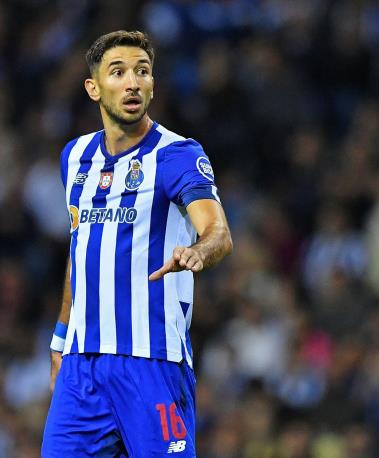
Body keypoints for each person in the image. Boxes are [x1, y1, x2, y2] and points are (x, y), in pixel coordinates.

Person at [42, 30, 233, 457]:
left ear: (152, 84)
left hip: (152, 361)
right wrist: (60, 337)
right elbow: (81, 248)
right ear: (93, 88)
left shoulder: (177, 154)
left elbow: (218, 232)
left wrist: (199, 251)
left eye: (142, 72)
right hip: (81, 366)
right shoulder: (75, 157)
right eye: (118, 72)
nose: (132, 82)